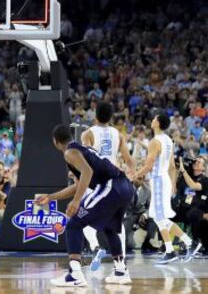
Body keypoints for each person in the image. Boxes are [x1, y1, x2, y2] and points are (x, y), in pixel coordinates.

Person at [37, 125, 134, 287]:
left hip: (112, 185)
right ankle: (120, 271)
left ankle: (75, 274)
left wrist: (76, 201)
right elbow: (79, 185)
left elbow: (87, 173)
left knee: (74, 223)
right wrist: (50, 197)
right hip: (125, 187)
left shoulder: (70, 152)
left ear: (55, 142)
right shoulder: (80, 149)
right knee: (110, 228)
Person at [131, 113, 196, 264]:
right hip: (164, 180)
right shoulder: (168, 140)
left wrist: (134, 175)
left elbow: (148, 166)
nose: (152, 120)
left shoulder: (155, 141)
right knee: (160, 217)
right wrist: (172, 183)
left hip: (159, 180)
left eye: (154, 118)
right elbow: (172, 166)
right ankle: (182, 245)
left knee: (159, 217)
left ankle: (178, 247)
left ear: (157, 123)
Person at [80, 101, 134, 270]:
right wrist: (130, 174)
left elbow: (85, 161)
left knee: (80, 218)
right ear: (111, 117)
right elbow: (130, 161)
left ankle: (96, 247)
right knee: (117, 223)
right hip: (115, 182)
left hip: (96, 182)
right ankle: (121, 261)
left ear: (95, 116)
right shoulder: (118, 134)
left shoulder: (88, 133)